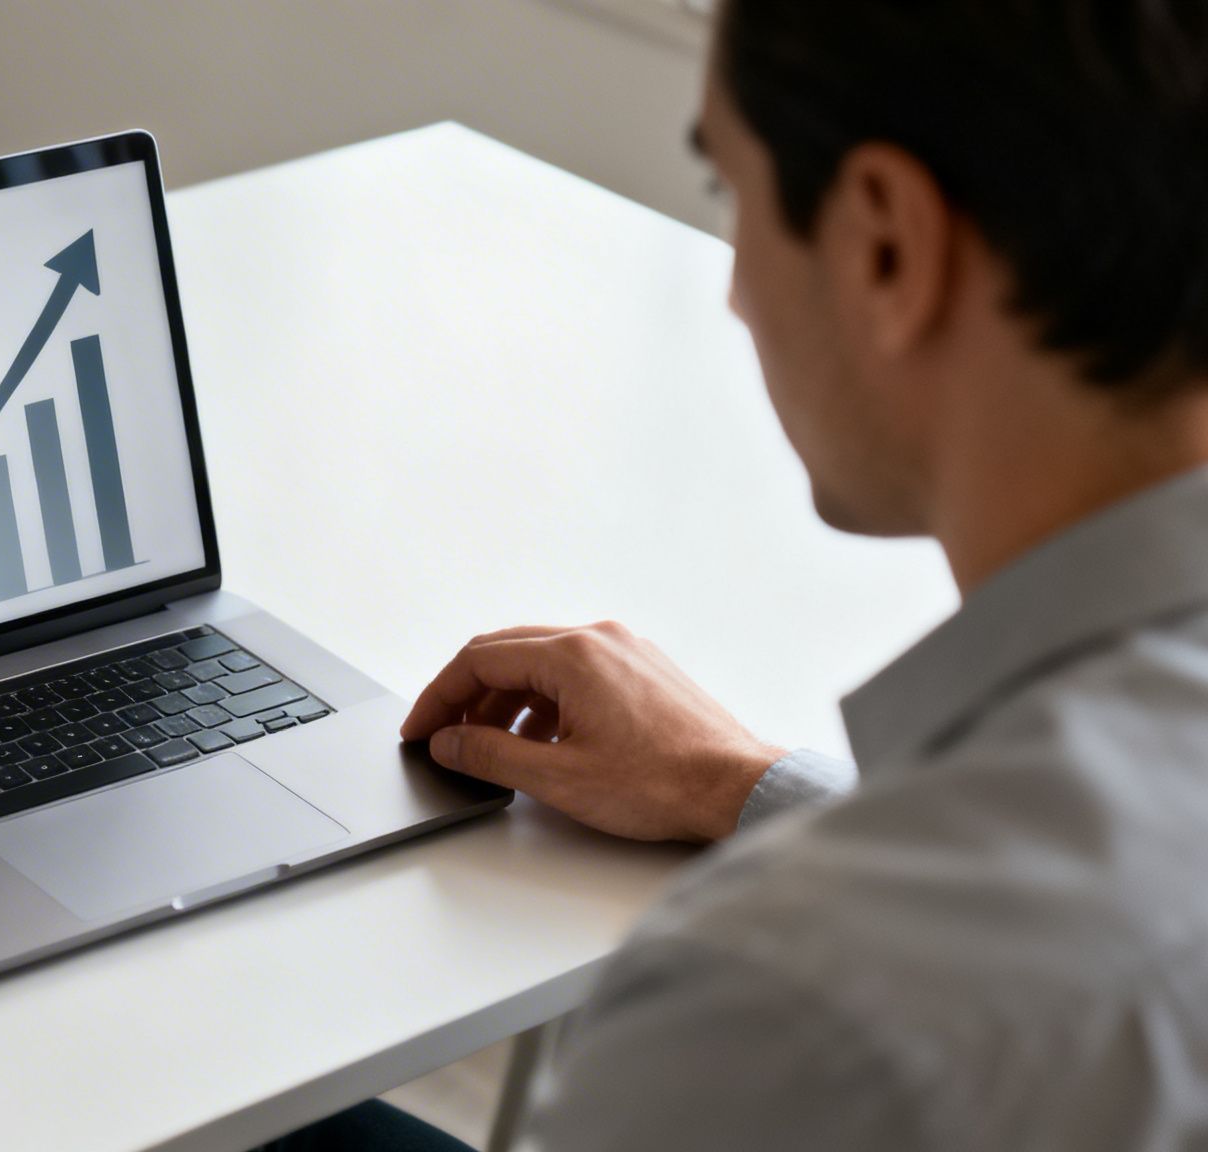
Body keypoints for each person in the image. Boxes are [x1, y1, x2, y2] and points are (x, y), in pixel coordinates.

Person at [263, 0, 1208, 1147]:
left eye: (731, 194)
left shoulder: (784, 1020)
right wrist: (740, 782)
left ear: (884, 246)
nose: (731, 291)